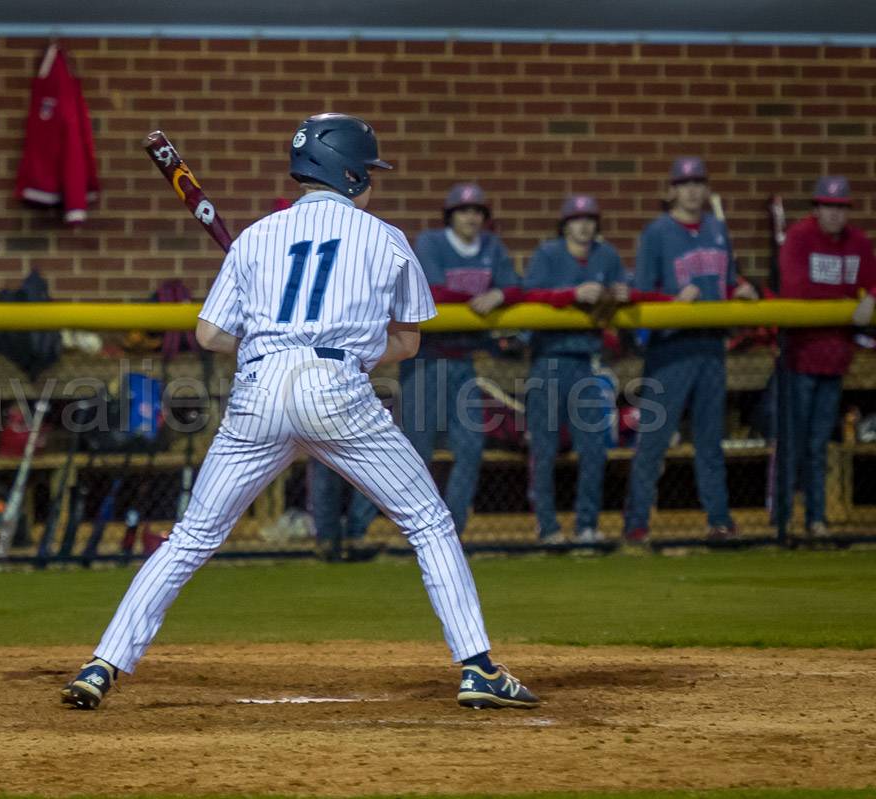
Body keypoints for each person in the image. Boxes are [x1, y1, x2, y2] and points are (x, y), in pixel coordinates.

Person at [62, 113, 539, 712]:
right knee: (427, 520)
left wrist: (270, 339)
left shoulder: (257, 237)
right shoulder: (386, 237)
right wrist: (351, 352)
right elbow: (409, 343)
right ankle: (478, 669)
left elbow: (210, 335)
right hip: (337, 387)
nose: (373, 181)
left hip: (258, 389)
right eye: (368, 171)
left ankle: (102, 663)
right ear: (347, 173)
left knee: (192, 538)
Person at [308, 182, 522, 545]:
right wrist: (481, 297)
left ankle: (451, 532)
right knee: (410, 454)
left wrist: (500, 294)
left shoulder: (492, 247)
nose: (470, 217)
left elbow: (517, 286)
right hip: (425, 362)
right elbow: (434, 292)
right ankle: (363, 530)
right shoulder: (431, 244)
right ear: (450, 216)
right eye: (463, 211)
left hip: (465, 362)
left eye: (477, 211)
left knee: (470, 448)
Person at [623, 157, 758, 544]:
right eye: (685, 183)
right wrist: (673, 302)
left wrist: (740, 292)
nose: (693, 190)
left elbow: (725, 284)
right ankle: (636, 524)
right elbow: (641, 295)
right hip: (671, 349)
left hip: (711, 346)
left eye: (699, 182)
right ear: (672, 191)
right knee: (653, 441)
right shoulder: (656, 233)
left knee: (710, 440)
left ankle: (719, 520)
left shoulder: (717, 229)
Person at [522, 196, 629, 545]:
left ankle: (586, 526)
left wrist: (616, 293)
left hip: (586, 362)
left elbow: (624, 291)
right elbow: (529, 296)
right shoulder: (549, 254)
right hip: (548, 361)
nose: (583, 226)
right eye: (576, 219)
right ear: (565, 224)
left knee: (594, 448)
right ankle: (547, 527)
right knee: (545, 449)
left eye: (589, 220)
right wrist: (572, 294)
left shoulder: (606, 256)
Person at [778, 176, 876, 537]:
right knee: (793, 444)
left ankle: (816, 520)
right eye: (828, 207)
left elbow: (872, 277)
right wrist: (847, 300)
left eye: (840, 208)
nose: (834, 215)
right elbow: (796, 289)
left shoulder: (858, 242)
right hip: (799, 358)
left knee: (819, 444)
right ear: (816, 209)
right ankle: (783, 521)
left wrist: (870, 297)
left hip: (835, 361)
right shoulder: (799, 237)